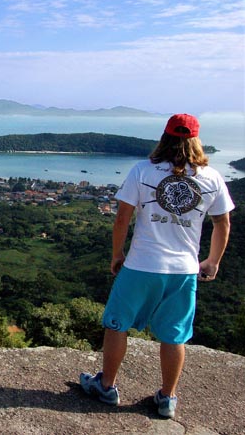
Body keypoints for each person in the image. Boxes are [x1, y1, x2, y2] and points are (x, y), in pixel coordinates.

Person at [79, 113, 235, 418]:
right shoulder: (212, 177)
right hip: (183, 270)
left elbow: (122, 218)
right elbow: (222, 223)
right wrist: (213, 261)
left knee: (117, 324)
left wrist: (117, 254)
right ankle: (167, 398)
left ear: (164, 137)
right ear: (196, 140)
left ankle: (107, 386)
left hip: (141, 265)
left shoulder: (142, 171)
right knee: (174, 334)